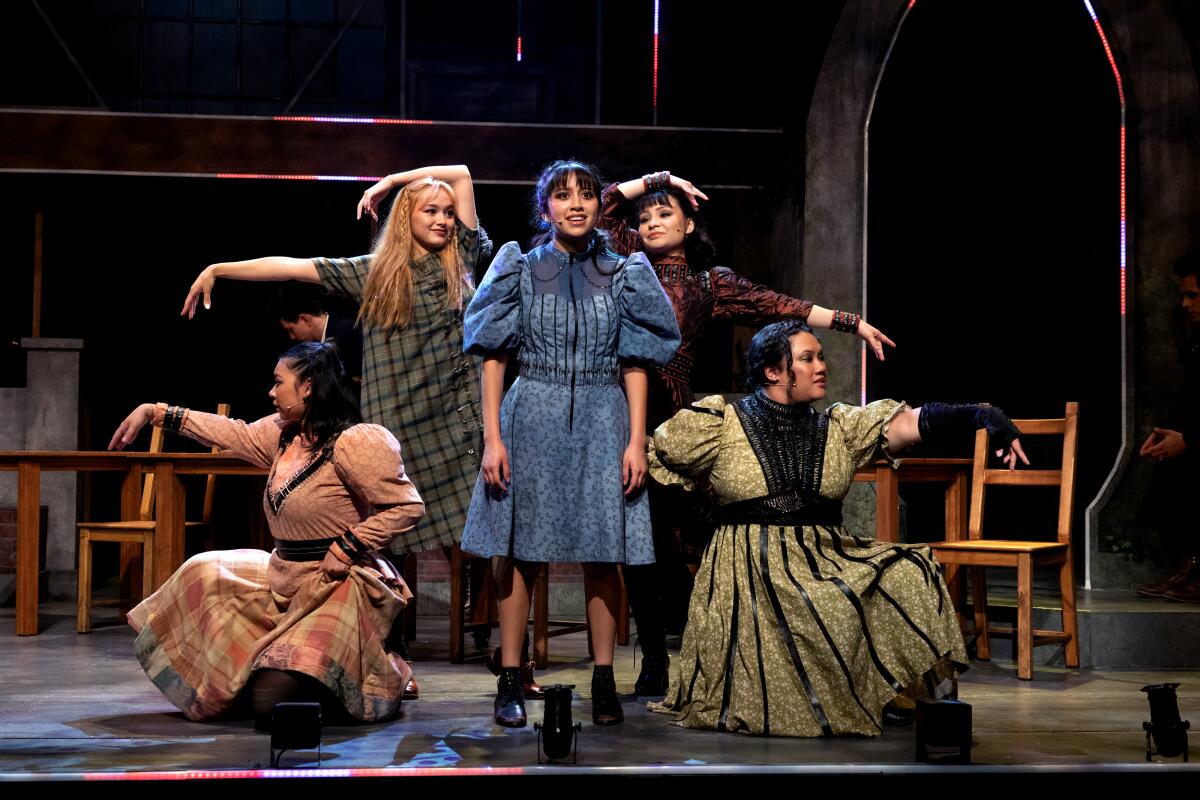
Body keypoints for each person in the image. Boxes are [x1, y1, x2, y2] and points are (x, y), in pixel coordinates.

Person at [648, 320, 1028, 736]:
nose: (821, 366)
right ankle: (839, 697)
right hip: (754, 565)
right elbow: (659, 462)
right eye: (807, 359)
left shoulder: (839, 428)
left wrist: (982, 414)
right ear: (773, 372)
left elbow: (910, 423)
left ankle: (925, 703)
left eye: (821, 356)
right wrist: (711, 522)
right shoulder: (723, 422)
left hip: (824, 553)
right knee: (827, 604)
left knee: (911, 570)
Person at [600, 172, 896, 694]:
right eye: (644, 217)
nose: (651, 222)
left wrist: (852, 323)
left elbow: (781, 305)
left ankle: (723, 649)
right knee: (633, 543)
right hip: (617, 407)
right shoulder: (626, 267)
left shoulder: (709, 284)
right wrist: (658, 180)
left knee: (685, 538)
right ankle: (653, 663)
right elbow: (603, 208)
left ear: (690, 224)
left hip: (672, 416)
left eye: (664, 212)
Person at [462, 160, 681, 728]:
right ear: (546, 209)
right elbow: (493, 356)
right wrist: (492, 439)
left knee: (603, 551)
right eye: (563, 196)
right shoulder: (518, 265)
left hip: (604, 418)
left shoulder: (626, 270)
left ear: (598, 206)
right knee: (519, 552)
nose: (576, 204)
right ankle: (510, 679)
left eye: (586, 194)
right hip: (530, 409)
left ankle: (603, 682)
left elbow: (637, 361)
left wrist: (636, 441)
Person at [182, 165, 490, 558]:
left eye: (448, 212)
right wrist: (218, 269)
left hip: (455, 419)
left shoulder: (460, 257)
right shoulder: (375, 273)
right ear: (406, 216)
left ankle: (477, 615)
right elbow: (292, 265)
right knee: (397, 528)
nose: (444, 220)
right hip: (403, 418)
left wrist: (391, 181)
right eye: (430, 211)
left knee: (476, 533)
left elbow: (463, 174)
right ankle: (385, 609)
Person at [112, 342, 424, 725]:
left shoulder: (355, 442)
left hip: (337, 585)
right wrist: (155, 413)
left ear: (308, 387)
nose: (271, 392)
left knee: (269, 704)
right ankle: (289, 665)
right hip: (285, 579)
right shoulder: (282, 436)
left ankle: (381, 664)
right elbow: (229, 432)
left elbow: (407, 506)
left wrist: (348, 546)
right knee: (205, 572)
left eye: (279, 383)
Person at [1136, 251, 1200, 601]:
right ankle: (1186, 567)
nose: (1185, 304)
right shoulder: (1196, 344)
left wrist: (1189, 440)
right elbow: (1191, 401)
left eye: (1193, 295)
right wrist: (1164, 432)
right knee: (1167, 473)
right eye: (1183, 295)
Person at [268, 282, 364, 392]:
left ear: (305, 319)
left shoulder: (348, 333)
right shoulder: (330, 336)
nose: (292, 337)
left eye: (291, 330)